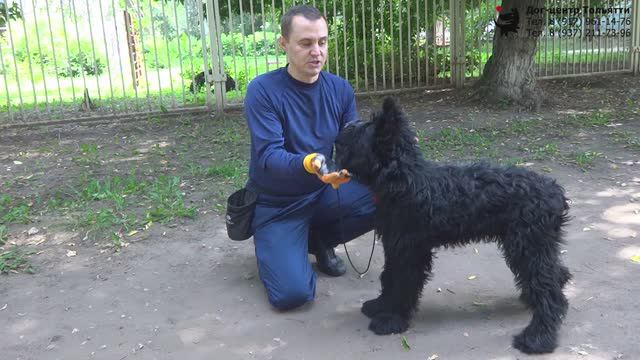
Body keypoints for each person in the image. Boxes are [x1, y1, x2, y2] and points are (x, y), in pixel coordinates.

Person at [243, 4, 376, 311]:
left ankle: (318, 240)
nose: (316, 51)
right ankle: (280, 245)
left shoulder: (340, 89)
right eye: (305, 43)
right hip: (277, 205)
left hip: (323, 193)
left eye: (322, 41)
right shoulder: (262, 91)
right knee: (293, 295)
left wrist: (389, 143)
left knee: (390, 193)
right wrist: (310, 162)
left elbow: (352, 145)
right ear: (284, 44)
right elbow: (268, 157)